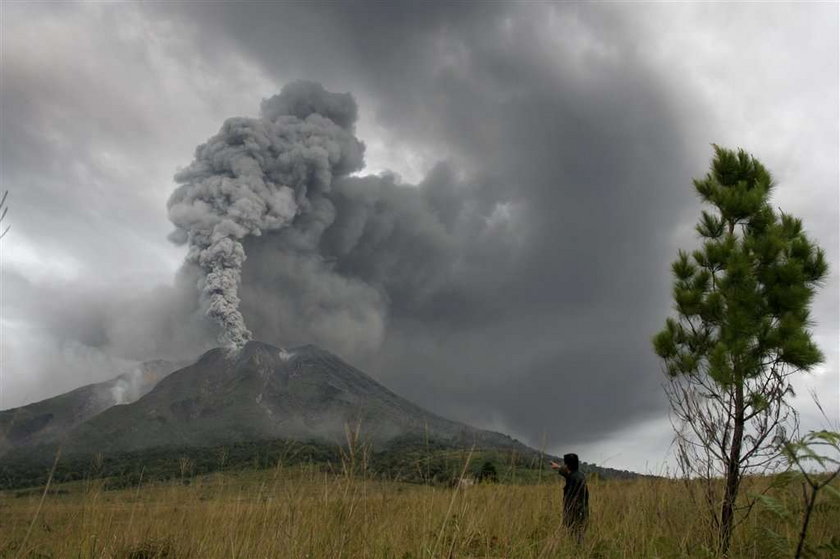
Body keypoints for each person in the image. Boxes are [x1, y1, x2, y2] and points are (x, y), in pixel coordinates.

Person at [550, 453, 589, 543]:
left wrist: (567, 514)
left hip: (576, 513)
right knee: (577, 535)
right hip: (581, 512)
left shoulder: (574, 479)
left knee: (576, 537)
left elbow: (572, 500)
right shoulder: (579, 475)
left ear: (567, 466)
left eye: (565, 464)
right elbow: (568, 473)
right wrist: (558, 467)